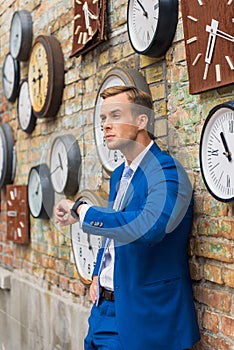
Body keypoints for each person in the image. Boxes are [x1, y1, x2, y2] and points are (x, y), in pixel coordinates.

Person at [54, 85, 200, 350]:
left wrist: (83, 210)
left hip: (144, 317)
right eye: (103, 119)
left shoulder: (167, 171)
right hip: (103, 311)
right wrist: (98, 272)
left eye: (115, 116)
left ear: (141, 121)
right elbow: (115, 226)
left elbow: (149, 228)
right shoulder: (119, 174)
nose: (106, 125)